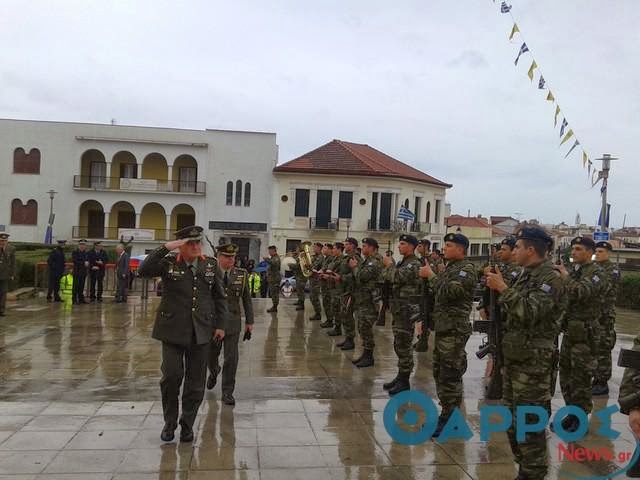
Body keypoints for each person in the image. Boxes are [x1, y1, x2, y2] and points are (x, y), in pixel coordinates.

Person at [486, 226, 564, 480]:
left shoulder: (550, 278)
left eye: (518, 247)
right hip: (516, 360)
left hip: (534, 365)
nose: (513, 250)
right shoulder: (526, 274)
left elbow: (530, 312)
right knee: (512, 423)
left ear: (531, 249)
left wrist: (502, 288)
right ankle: (526, 469)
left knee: (530, 425)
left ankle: (533, 473)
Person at [138, 225, 228, 443]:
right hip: (172, 331)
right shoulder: (168, 263)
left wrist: (220, 325)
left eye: (198, 242)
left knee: (196, 382)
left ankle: (187, 424)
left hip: (201, 331)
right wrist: (165, 247)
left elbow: (219, 297)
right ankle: (170, 422)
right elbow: (143, 270)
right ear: (180, 246)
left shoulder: (210, 264)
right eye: (191, 243)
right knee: (171, 377)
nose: (196, 246)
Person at [418, 232, 477, 435]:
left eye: (449, 245)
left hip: (454, 330)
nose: (444, 248)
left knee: (450, 373)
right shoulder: (451, 268)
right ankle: (447, 413)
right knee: (440, 372)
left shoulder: (466, 270)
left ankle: (451, 418)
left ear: (461, 249)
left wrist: (432, 276)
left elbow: (450, 292)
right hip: (444, 328)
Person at [554, 236, 605, 432]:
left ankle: (580, 417)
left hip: (585, 335)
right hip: (570, 332)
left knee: (581, 378)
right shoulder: (577, 272)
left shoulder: (596, 273)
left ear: (589, 252)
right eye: (573, 249)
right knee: (566, 376)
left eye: (577, 249)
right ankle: (571, 413)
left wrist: (565, 276)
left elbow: (580, 292)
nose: (573, 252)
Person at [207, 243, 254, 405]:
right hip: (213, 321)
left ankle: (227, 392)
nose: (231, 260)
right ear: (218, 257)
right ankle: (213, 371)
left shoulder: (241, 274)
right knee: (211, 355)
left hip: (233, 321)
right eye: (227, 257)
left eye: (233, 257)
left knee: (231, 359)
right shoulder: (209, 273)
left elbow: (247, 299)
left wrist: (250, 322)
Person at [382, 234, 422, 395]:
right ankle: (400, 376)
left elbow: (395, 276)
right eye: (400, 243)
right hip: (399, 309)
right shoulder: (403, 262)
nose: (399, 246)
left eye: (403, 244)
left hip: (407, 311)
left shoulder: (414, 264)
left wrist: (389, 266)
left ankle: (404, 381)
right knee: (399, 344)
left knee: (404, 345)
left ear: (412, 247)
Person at [592, 241, 621, 395]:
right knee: (594, 347)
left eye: (601, 251)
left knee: (603, 348)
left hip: (605, 316)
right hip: (595, 314)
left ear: (608, 253)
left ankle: (602, 381)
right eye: (596, 251)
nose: (597, 253)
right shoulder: (595, 268)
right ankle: (595, 378)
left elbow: (602, 289)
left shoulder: (612, 270)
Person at [350, 237, 383, 368]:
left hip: (369, 300)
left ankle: (369, 357)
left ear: (371, 247)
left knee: (366, 328)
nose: (362, 249)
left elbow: (361, 277)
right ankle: (366, 354)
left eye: (364, 246)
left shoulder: (374, 261)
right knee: (362, 328)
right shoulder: (368, 260)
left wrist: (354, 268)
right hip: (363, 299)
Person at [332, 238, 360, 351]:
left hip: (351, 291)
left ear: (353, 246)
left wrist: (341, 277)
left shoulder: (355, 257)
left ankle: (351, 340)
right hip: (344, 290)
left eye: (347, 244)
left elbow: (356, 274)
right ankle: (347, 338)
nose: (345, 245)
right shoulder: (346, 257)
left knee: (348, 315)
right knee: (344, 314)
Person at [413, 239, 434, 352]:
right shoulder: (419, 260)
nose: (418, 248)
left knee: (424, 319)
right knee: (420, 318)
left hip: (428, 295)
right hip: (420, 293)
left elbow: (432, 275)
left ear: (426, 247)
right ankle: (421, 339)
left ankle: (423, 339)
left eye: (420, 246)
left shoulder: (430, 261)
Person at [319, 244, 336, 329]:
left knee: (328, 303)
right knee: (325, 303)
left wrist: (322, 272)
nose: (323, 250)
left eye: (325, 248)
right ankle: (329, 320)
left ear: (330, 250)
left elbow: (329, 270)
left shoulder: (331, 258)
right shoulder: (326, 259)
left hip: (328, 284)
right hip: (324, 284)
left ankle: (330, 321)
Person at [0, 233, 16, 316]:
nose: (3, 242)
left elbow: (13, 262)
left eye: (5, 240)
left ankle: (1, 310)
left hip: (5, 275)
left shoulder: (11, 248)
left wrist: (12, 274)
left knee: (3, 293)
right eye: (2, 240)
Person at [71, 239, 89, 305]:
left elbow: (87, 260)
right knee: (75, 286)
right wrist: (83, 263)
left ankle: (81, 299)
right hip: (77, 272)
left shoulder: (86, 253)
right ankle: (74, 300)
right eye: (81, 244)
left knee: (81, 286)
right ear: (78, 245)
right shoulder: (75, 252)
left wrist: (87, 263)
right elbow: (75, 261)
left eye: (84, 245)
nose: (82, 246)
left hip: (83, 272)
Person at [308, 242, 324, 320]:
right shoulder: (314, 256)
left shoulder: (320, 257)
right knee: (312, 297)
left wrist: (308, 265)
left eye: (315, 247)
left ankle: (318, 314)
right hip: (312, 279)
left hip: (316, 280)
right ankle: (317, 313)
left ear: (319, 248)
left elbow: (315, 266)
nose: (313, 249)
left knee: (314, 297)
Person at [264, 246, 281, 313]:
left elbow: (274, 263)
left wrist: (267, 259)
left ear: (274, 251)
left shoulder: (276, 258)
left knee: (274, 294)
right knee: (272, 293)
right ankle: (274, 306)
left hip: (275, 279)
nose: (269, 252)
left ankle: (275, 307)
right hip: (272, 279)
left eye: (270, 251)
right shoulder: (273, 258)